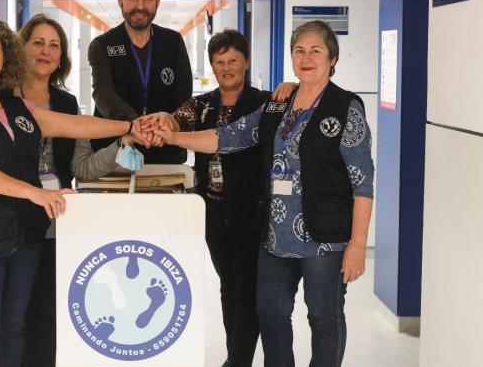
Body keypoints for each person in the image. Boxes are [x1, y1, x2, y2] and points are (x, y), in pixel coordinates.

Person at [145, 20, 374, 367]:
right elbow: (228, 136)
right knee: (271, 314)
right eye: (299, 50)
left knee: (324, 319)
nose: (306, 58)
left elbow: (363, 182)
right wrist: (174, 137)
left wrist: (357, 245)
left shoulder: (345, 107)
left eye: (315, 51)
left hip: (324, 239)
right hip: (275, 237)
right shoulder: (278, 104)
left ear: (332, 58)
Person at [0, 14, 143, 367]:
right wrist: (37, 193)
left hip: (27, 233)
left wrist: (132, 126)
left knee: (14, 327)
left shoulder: (15, 106)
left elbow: (75, 125)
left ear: (6, 57)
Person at [145, 29, 294, 367]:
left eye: (233, 61)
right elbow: (177, 119)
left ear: (246, 63)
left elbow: (303, 104)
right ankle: (234, 355)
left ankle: (237, 360)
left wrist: (293, 86)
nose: (226, 68)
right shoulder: (202, 104)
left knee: (247, 290)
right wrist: (165, 121)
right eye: (219, 62)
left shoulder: (265, 103)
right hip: (213, 211)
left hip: (251, 211)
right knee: (229, 287)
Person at [88, 0, 192, 164]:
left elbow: (184, 96)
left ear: (158, 1)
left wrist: (168, 123)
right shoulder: (103, 45)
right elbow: (103, 93)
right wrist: (135, 125)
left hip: (166, 147)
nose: (140, 6)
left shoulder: (173, 42)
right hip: (115, 150)